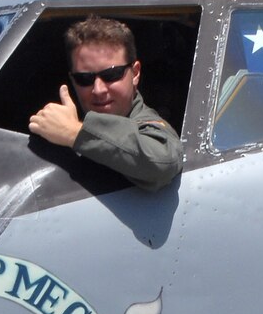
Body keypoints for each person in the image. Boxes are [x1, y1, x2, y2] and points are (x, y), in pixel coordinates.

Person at [27, 16, 183, 190]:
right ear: (72, 80)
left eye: (111, 75)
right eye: (84, 78)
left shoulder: (149, 126)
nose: (98, 89)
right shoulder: (59, 126)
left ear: (135, 73)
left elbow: (162, 163)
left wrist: (73, 132)